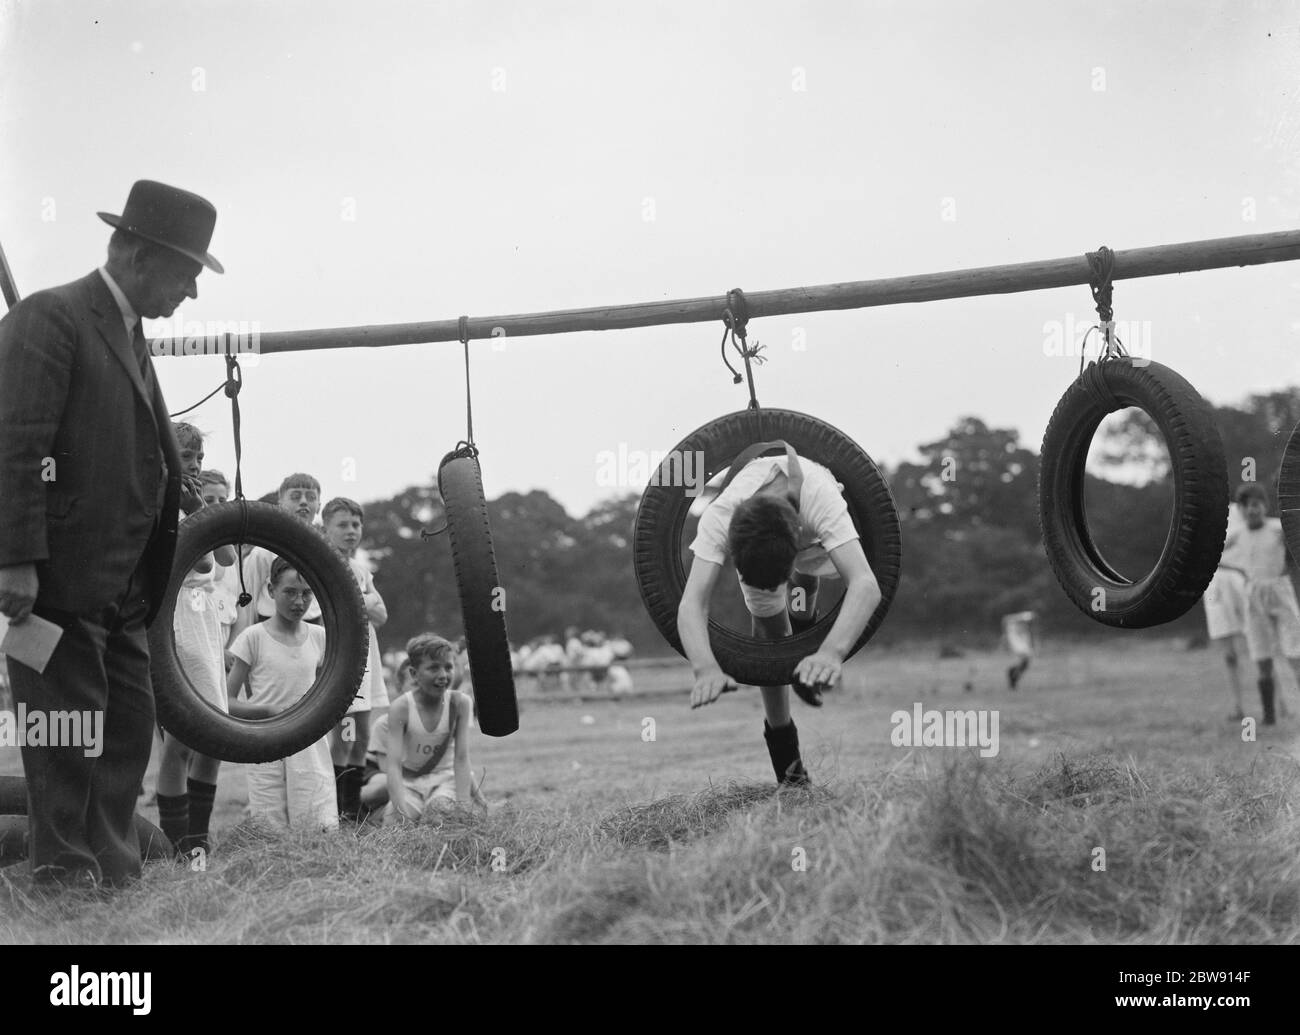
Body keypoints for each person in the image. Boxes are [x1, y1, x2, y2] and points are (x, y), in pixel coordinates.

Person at [0, 180, 221, 889]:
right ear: (134, 252)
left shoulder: (127, 334)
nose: (190, 291)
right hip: (58, 579)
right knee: (63, 734)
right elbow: (16, 442)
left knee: (127, 728)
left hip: (125, 586)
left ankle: (113, 872)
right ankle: (63, 876)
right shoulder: (51, 318)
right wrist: (15, 559)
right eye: (186, 272)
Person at [678, 440, 882, 786]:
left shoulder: (821, 499)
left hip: (810, 533)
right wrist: (705, 668)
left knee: (808, 574)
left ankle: (804, 625)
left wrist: (831, 653)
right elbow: (691, 602)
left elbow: (865, 584)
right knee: (772, 635)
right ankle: (788, 762)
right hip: (769, 535)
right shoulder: (719, 517)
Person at [155, 424, 236, 859]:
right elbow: (189, 560)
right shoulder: (157, 501)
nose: (194, 465)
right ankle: (175, 840)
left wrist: (200, 506)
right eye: (186, 456)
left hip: (205, 620)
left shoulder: (197, 504)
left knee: (215, 734)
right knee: (183, 735)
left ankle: (198, 837)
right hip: (175, 615)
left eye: (199, 458)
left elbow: (224, 557)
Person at [225, 556, 337, 830]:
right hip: (265, 740)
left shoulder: (319, 637)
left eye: (306, 594)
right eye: (289, 592)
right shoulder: (252, 637)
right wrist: (267, 710)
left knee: (316, 823)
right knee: (269, 826)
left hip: (308, 740)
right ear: (271, 590)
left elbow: (328, 694)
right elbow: (227, 702)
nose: (299, 602)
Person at [321, 496, 389, 821]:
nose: (351, 531)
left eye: (356, 524)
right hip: (343, 655)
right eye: (343, 525)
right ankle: (339, 811)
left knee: (362, 733)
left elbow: (382, 614)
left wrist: (361, 602)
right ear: (326, 528)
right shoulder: (324, 563)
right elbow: (335, 609)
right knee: (344, 734)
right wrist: (365, 602)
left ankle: (354, 809)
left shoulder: (361, 569)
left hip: (367, 654)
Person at [1227, 482, 1299, 726]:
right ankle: (1269, 716)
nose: (1251, 511)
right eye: (1246, 507)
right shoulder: (1236, 536)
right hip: (1254, 594)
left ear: (1264, 506)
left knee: (1294, 650)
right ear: (1241, 510)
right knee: (1262, 654)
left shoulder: (1278, 528)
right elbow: (1216, 555)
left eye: (1255, 505)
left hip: (1279, 589)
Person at [384, 634, 473, 825]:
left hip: (444, 781)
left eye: (448, 667)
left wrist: (464, 806)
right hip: (411, 784)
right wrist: (400, 812)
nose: (443, 675)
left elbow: (462, 758)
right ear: (414, 674)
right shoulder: (401, 708)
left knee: (439, 814)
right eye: (433, 668)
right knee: (392, 825)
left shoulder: (461, 703)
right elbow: (393, 765)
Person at [1203, 502, 1250, 720]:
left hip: (1240, 578)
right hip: (1213, 581)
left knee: (1260, 643)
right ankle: (1238, 707)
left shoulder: (1240, 508)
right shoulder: (1199, 513)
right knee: (1228, 652)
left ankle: (1281, 704)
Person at [1001, 611, 1036, 690]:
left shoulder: (1021, 624)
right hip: (1017, 643)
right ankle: (1012, 676)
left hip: (1022, 643)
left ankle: (1012, 675)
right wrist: (1022, 617)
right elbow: (1005, 619)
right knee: (1025, 662)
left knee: (1025, 663)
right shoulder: (1014, 621)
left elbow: (1027, 633)